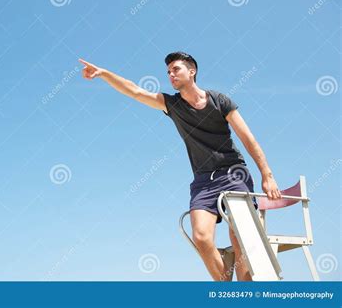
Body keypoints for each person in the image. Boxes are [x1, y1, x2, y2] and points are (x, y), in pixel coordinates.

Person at [78, 51, 282, 281]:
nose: (171, 74)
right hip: (204, 181)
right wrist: (103, 73)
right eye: (168, 72)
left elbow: (248, 138)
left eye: (176, 69)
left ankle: (247, 293)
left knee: (239, 236)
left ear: (192, 71)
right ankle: (226, 288)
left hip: (234, 173)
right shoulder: (172, 104)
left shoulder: (220, 101)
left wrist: (267, 174)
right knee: (202, 238)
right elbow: (135, 91)